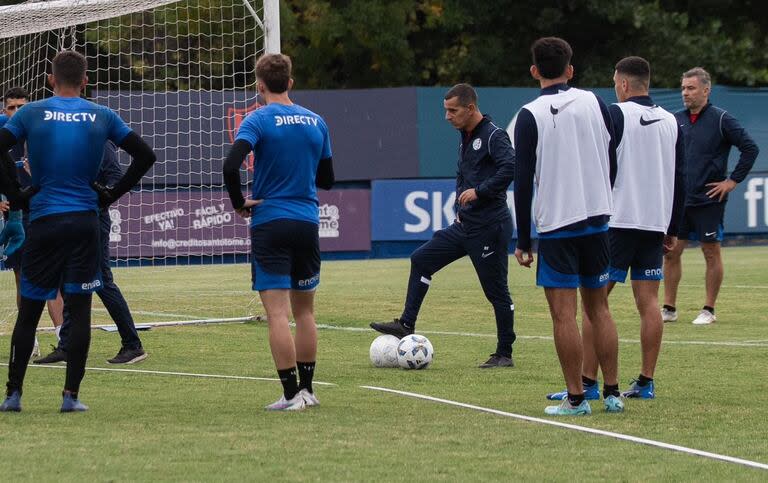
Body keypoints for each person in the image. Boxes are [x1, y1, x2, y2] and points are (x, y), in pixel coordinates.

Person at [0, 50, 156, 413]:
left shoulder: (30, 112)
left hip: (44, 222)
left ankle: (13, 394)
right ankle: (70, 397)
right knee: (80, 308)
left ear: (51, 80)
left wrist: (16, 195)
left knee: (30, 311)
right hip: (85, 221)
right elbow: (145, 155)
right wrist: (111, 195)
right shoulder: (102, 115)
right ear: (86, 81)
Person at [545, 56, 685, 402]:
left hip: (619, 220)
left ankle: (589, 384)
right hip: (654, 222)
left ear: (623, 84)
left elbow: (600, 164)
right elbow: (680, 177)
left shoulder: (615, 113)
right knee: (649, 302)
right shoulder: (671, 121)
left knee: (596, 302)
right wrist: (673, 226)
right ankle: (646, 381)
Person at [370, 83, 517, 368]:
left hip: (490, 226)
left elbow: (509, 168)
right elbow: (464, 175)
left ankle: (504, 353)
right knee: (421, 259)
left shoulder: (494, 136)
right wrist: (461, 209)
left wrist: (480, 191)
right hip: (465, 225)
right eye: (445, 110)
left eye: (453, 110)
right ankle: (406, 324)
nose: (447, 116)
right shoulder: (466, 135)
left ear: (471, 108)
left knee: (496, 291)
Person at [513, 37, 623, 416]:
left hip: (559, 225)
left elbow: (523, 180)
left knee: (564, 315)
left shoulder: (530, 114)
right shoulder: (595, 101)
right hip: (598, 220)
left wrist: (523, 241)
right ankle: (612, 393)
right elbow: (611, 154)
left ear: (533, 71)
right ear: (570, 69)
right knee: (600, 310)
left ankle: (576, 399)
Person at [223, 53, 334, 411]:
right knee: (305, 313)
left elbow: (230, 164)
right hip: (306, 220)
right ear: (290, 82)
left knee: (276, 314)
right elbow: (327, 179)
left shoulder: (258, 119)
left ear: (259, 85)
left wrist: (240, 200)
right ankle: (309, 390)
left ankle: (290, 396)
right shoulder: (316, 121)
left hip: (271, 220)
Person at [34, 141, 148, 365]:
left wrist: (97, 198)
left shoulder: (101, 143)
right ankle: (66, 346)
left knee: (103, 281)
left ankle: (133, 345)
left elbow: (116, 178)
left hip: (93, 219)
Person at [662, 67, 759, 325]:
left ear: (706, 90)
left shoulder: (721, 119)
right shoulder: (674, 119)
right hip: (680, 200)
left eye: (690, 88)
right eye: (683, 88)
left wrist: (732, 181)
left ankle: (709, 310)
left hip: (709, 200)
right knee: (671, 252)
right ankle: (669, 308)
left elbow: (750, 148)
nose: (685, 93)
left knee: (710, 253)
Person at [0, 87, 64, 357]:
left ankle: (64, 340)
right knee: (22, 280)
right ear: (5, 111)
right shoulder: (3, 140)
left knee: (54, 280)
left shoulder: (43, 134)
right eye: (12, 107)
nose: (17, 111)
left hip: (45, 212)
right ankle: (29, 339)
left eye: (22, 106)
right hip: (16, 216)